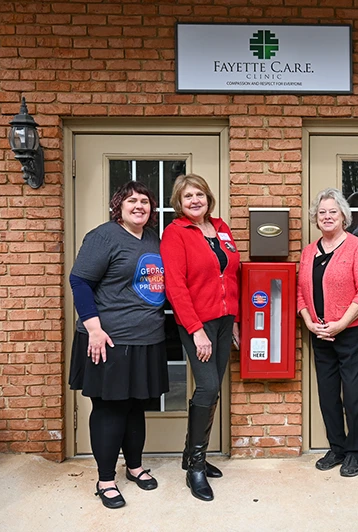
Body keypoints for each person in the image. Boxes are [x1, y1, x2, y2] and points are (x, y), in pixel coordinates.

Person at [68, 181, 169, 509]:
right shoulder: (103, 236)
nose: (139, 206)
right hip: (108, 339)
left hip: (146, 339)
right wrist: (93, 328)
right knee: (110, 409)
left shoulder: (153, 238)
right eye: (132, 201)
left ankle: (135, 466)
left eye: (145, 201)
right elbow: (80, 281)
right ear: (119, 206)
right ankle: (105, 479)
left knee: (136, 407)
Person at [160, 173, 240, 502]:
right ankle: (195, 465)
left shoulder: (221, 228)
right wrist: (195, 330)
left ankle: (191, 456)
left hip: (224, 320)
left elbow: (232, 275)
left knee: (213, 385)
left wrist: (234, 320)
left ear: (208, 198)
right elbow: (175, 286)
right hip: (197, 322)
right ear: (179, 203)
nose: (195, 201)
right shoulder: (175, 233)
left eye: (200, 195)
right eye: (188, 196)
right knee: (207, 386)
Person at [297, 188, 358, 478]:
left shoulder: (357, 247)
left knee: (354, 395)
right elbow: (299, 293)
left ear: (343, 216)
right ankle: (337, 447)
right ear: (315, 219)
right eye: (322, 213)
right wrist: (308, 321)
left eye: (333, 212)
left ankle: (355, 452)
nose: (327, 216)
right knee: (328, 395)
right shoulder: (308, 252)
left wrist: (341, 323)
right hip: (319, 332)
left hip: (352, 332)